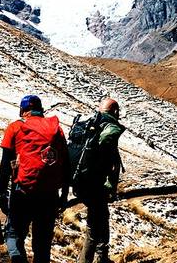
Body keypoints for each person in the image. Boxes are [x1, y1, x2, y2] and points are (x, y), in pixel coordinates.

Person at [0, 95, 69, 263]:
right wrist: (63, 196)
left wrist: (0, 193)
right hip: (49, 195)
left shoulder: (15, 128)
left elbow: (5, 165)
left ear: (23, 110)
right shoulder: (57, 130)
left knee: (14, 235)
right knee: (42, 244)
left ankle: (18, 259)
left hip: (22, 192)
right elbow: (66, 165)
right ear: (41, 109)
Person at [77, 98, 126, 263]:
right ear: (115, 111)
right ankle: (91, 259)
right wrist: (110, 184)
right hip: (96, 184)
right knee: (95, 224)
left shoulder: (91, 123)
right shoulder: (109, 128)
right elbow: (109, 159)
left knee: (99, 219)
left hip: (82, 181)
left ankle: (100, 256)